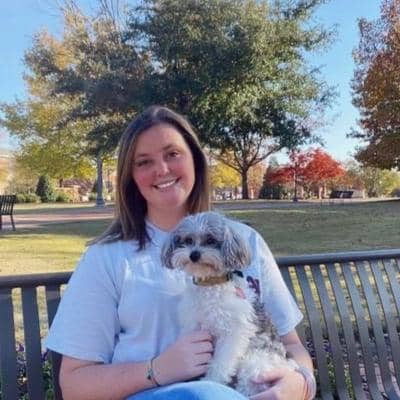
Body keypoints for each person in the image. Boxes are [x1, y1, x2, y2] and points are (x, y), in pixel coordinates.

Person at [46, 105, 316, 400]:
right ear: (130, 176)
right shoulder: (106, 258)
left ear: (196, 161)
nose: (162, 170)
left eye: (172, 154)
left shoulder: (246, 241)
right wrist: (156, 370)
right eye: (144, 162)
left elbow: (291, 345)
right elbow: (74, 386)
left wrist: (300, 385)